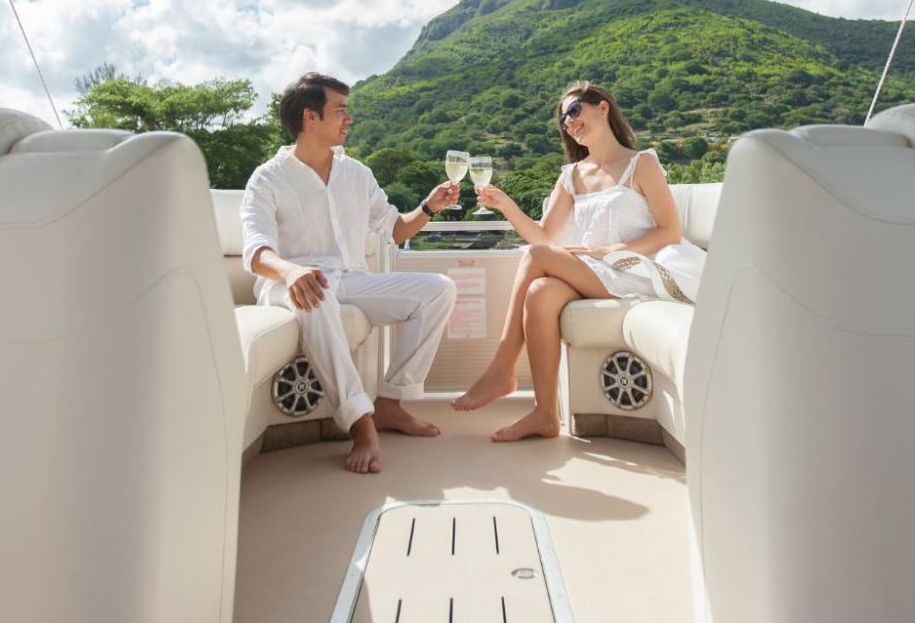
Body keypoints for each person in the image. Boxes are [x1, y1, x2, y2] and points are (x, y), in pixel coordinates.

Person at [453, 81, 706, 442]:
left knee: (535, 258)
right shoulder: (571, 175)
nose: (568, 122)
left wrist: (611, 250)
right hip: (595, 272)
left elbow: (668, 231)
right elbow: (544, 235)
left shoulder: (641, 163)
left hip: (632, 269)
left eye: (574, 111)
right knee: (540, 292)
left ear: (602, 107)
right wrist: (505, 204)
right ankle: (544, 414)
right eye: (563, 119)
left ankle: (503, 365)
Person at [241, 72, 461, 474]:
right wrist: (291, 272)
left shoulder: (357, 173)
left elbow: (395, 230)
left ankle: (390, 403)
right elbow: (256, 252)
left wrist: (430, 206)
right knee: (316, 291)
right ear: (310, 117)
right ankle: (361, 423)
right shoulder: (268, 178)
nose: (349, 118)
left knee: (439, 290)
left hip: (353, 279)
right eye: (341, 110)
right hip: (288, 282)